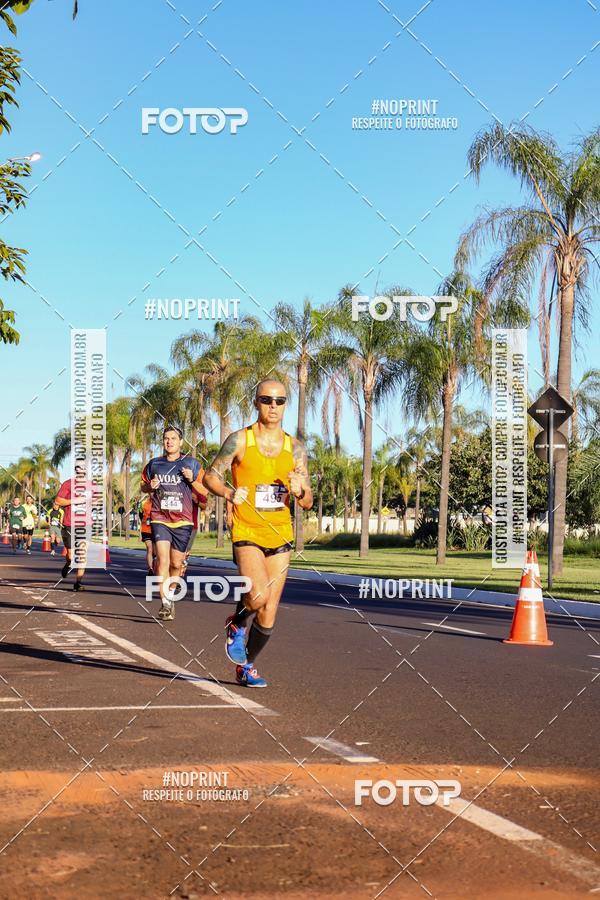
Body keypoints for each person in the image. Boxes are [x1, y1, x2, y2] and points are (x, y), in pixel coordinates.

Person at [203, 379, 312, 688]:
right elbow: (210, 475)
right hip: (247, 527)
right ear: (256, 402)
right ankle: (236, 622)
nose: (273, 406)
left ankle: (247, 666)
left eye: (279, 401)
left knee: (269, 611)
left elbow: (307, 500)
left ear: (286, 404)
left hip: (281, 533)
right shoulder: (240, 440)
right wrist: (228, 492)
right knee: (258, 595)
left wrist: (299, 489)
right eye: (267, 400)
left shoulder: (296, 448)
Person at [141, 426, 204, 621]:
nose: (169, 441)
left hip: (183, 520)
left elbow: (205, 490)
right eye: (166, 438)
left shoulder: (192, 464)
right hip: (160, 518)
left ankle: (170, 595)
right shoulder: (154, 464)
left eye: (173, 438)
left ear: (180, 442)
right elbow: (143, 487)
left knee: (176, 564)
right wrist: (149, 486)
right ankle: (165, 603)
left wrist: (192, 479)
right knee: (162, 560)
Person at [55, 478, 93, 591]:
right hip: (69, 524)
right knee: (71, 556)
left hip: (86, 525)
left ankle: (78, 583)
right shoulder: (68, 484)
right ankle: (68, 564)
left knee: (82, 555)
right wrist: (75, 500)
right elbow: (58, 501)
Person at [180, 483, 207, 578]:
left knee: (185, 552)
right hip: (173, 524)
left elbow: (204, 506)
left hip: (191, 526)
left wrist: (196, 500)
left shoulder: (197, 487)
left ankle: (180, 576)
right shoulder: (175, 483)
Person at [139, 495, 154, 575]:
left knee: (157, 551)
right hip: (146, 529)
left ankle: (156, 565)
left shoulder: (159, 502)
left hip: (158, 529)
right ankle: (150, 568)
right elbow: (141, 516)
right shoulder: (143, 503)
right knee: (149, 548)